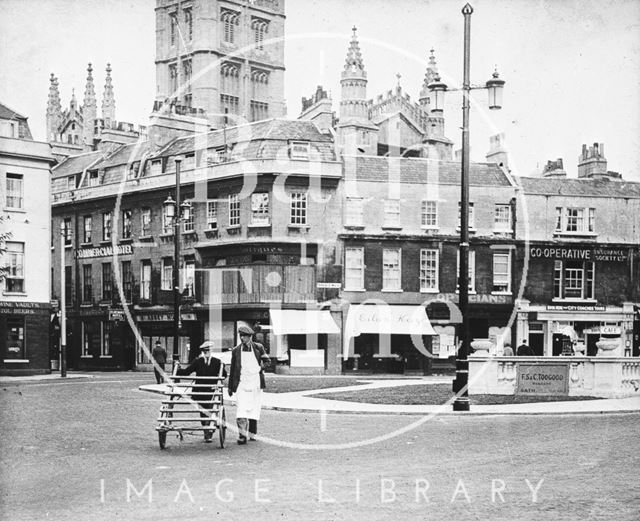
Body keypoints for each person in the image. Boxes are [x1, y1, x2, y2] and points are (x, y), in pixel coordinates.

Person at [176, 342, 227, 443]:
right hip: (200, 391)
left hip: (212, 392)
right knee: (203, 412)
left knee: (210, 411)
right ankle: (206, 432)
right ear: (203, 352)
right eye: (205, 351)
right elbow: (187, 372)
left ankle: (209, 432)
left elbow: (224, 375)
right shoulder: (198, 361)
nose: (207, 352)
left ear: (211, 351)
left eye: (208, 350)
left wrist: (217, 381)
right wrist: (177, 368)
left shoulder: (217, 362)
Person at [228, 325, 271, 444]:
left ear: (250, 337)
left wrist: (259, 367)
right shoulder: (236, 350)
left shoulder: (258, 348)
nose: (242, 338)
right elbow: (233, 370)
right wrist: (231, 387)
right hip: (241, 382)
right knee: (241, 408)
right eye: (241, 336)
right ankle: (242, 436)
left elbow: (268, 361)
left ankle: (252, 433)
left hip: (255, 381)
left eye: (245, 336)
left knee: (253, 407)